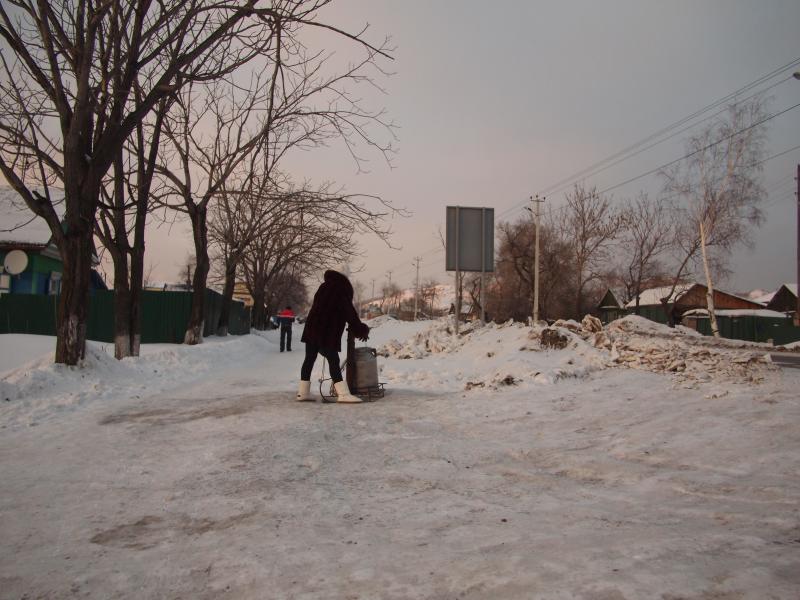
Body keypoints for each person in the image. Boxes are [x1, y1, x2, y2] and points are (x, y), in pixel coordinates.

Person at [296, 268, 369, 403]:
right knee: (333, 360)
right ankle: (343, 394)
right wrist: (360, 329)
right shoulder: (340, 289)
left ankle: (303, 392)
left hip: (312, 328)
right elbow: (349, 312)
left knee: (309, 359)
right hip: (327, 331)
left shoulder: (323, 287)